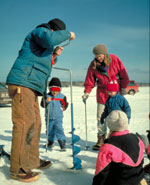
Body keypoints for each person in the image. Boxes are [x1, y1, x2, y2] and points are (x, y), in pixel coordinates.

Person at [6, 18, 75, 182]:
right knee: (24, 124)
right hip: (22, 84)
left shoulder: (44, 44)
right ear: (54, 29)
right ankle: (18, 168)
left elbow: (44, 63)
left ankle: (31, 160)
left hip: (32, 88)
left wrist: (54, 56)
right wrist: (68, 35)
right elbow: (48, 39)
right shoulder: (39, 32)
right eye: (58, 33)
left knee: (35, 124)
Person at [82, 44, 130, 150]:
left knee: (117, 117)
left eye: (100, 55)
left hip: (115, 94)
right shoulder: (93, 65)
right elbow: (89, 79)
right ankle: (101, 139)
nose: (98, 58)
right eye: (96, 56)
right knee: (100, 117)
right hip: (102, 94)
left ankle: (117, 139)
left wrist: (124, 87)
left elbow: (123, 74)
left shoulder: (114, 59)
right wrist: (87, 92)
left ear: (105, 54)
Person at [92, 110, 148, 185]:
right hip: (138, 180)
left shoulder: (108, 147)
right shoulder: (137, 139)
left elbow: (101, 172)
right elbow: (140, 162)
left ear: (110, 125)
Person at [41, 77, 68, 151]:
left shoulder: (62, 97)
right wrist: (46, 101)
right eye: (53, 90)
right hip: (49, 117)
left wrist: (63, 107)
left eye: (57, 90)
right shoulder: (47, 96)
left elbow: (65, 104)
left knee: (59, 130)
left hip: (58, 117)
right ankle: (50, 142)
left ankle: (62, 144)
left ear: (60, 90)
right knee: (49, 131)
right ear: (50, 89)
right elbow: (42, 105)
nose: (54, 92)